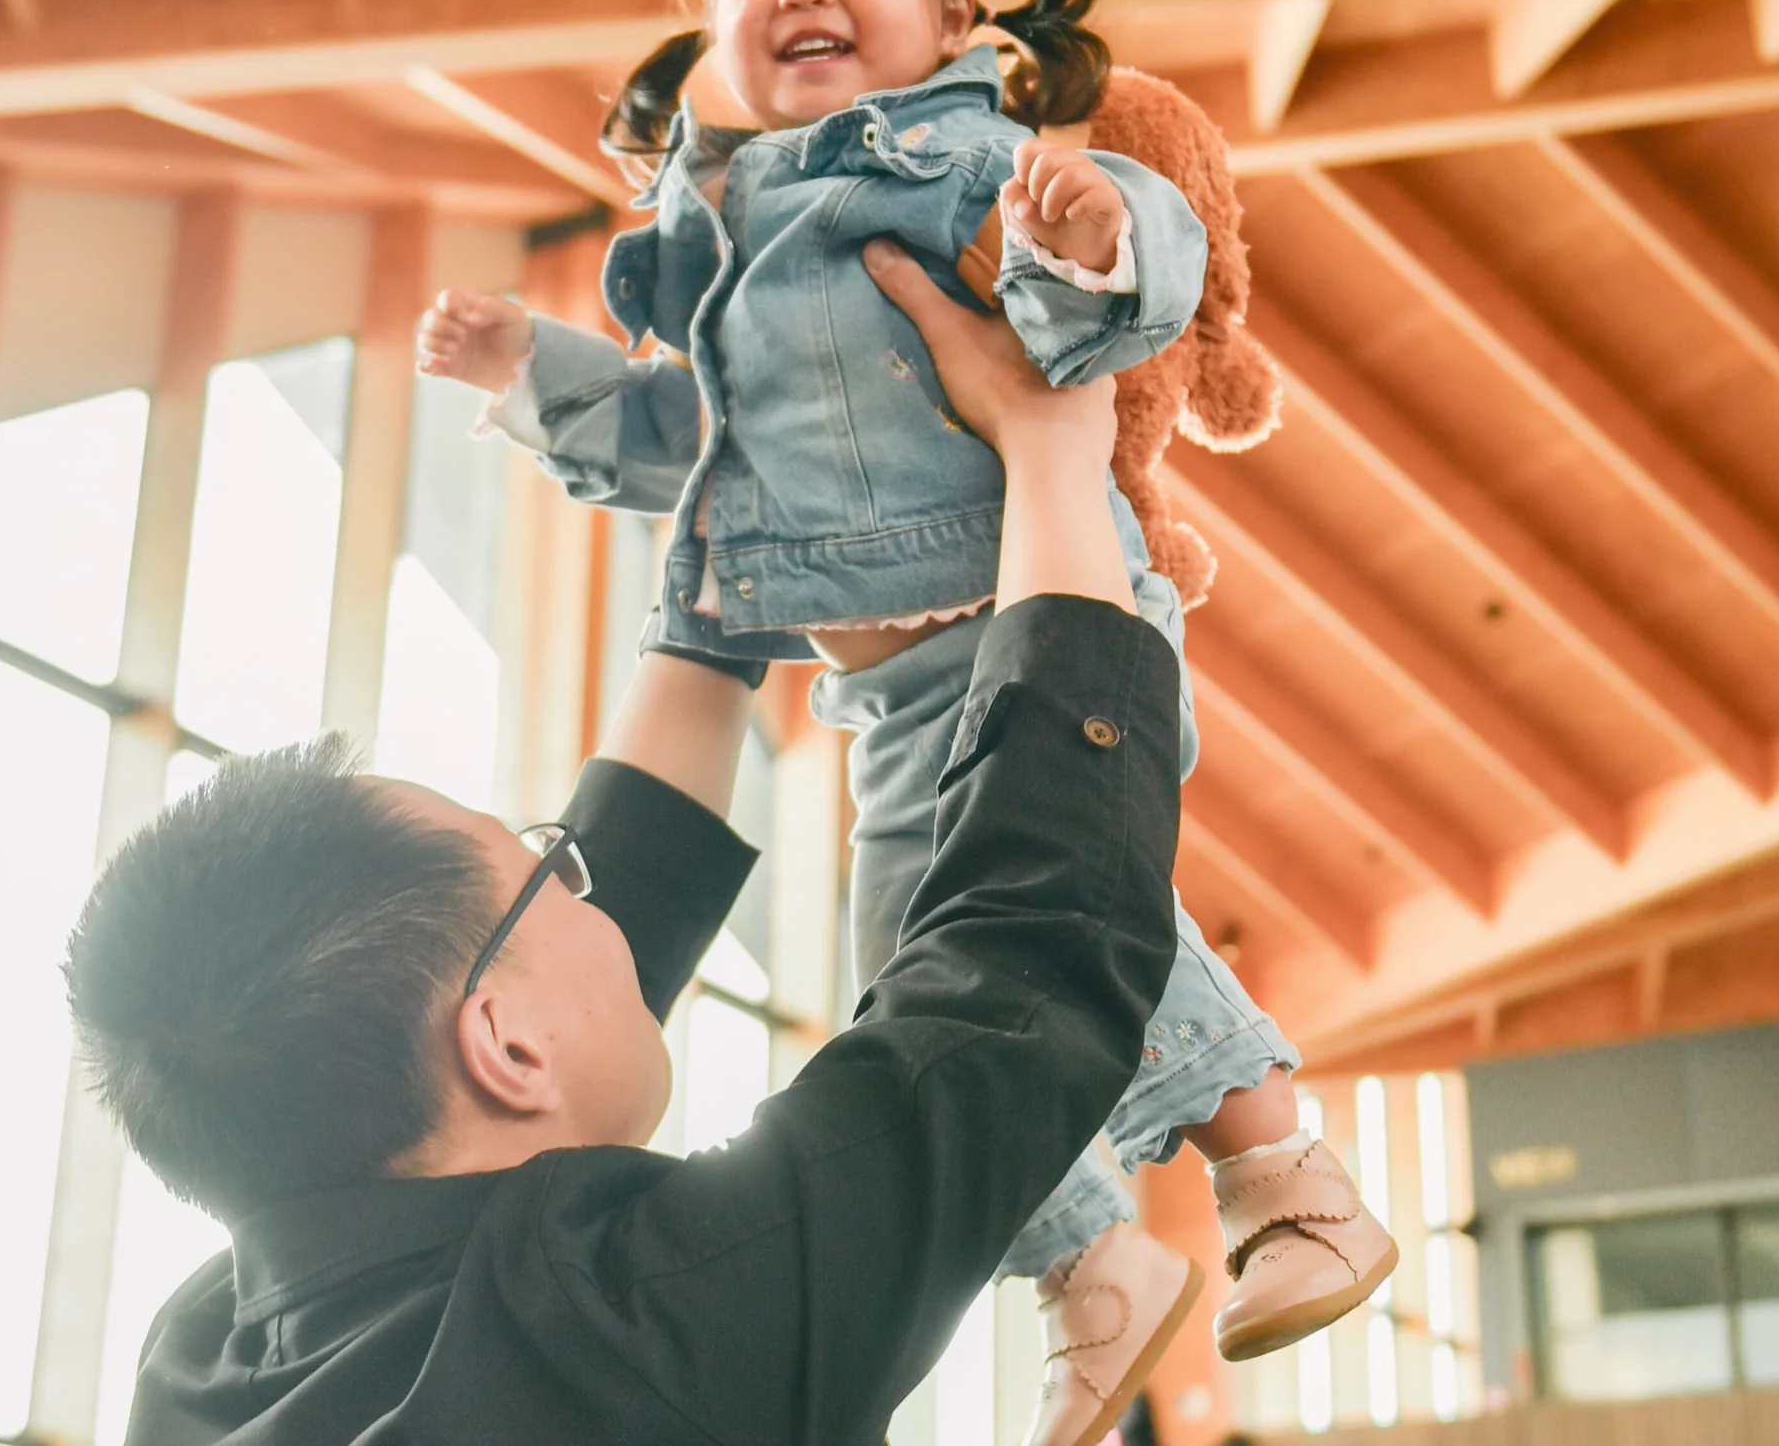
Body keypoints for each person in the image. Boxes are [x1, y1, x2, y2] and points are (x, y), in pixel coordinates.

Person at [417, 0, 1392, 1444]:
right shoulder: (720, 242)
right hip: (884, 688)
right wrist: (534, 375)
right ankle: (1090, 1259)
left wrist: (1092, 242)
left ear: (951, 19)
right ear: (713, 31)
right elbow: (695, 450)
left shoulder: (948, 157)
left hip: (1037, 620)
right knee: (920, 980)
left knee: (1058, 908)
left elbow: (1098, 284)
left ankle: (1284, 1173)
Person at [65, 249, 1182, 1445]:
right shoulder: (646, 1337)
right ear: (503, 1042)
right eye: (548, 872)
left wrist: (731, 542)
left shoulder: (202, 1364)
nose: (594, 895)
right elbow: (1017, 970)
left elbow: (556, 996)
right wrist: (1052, 447)